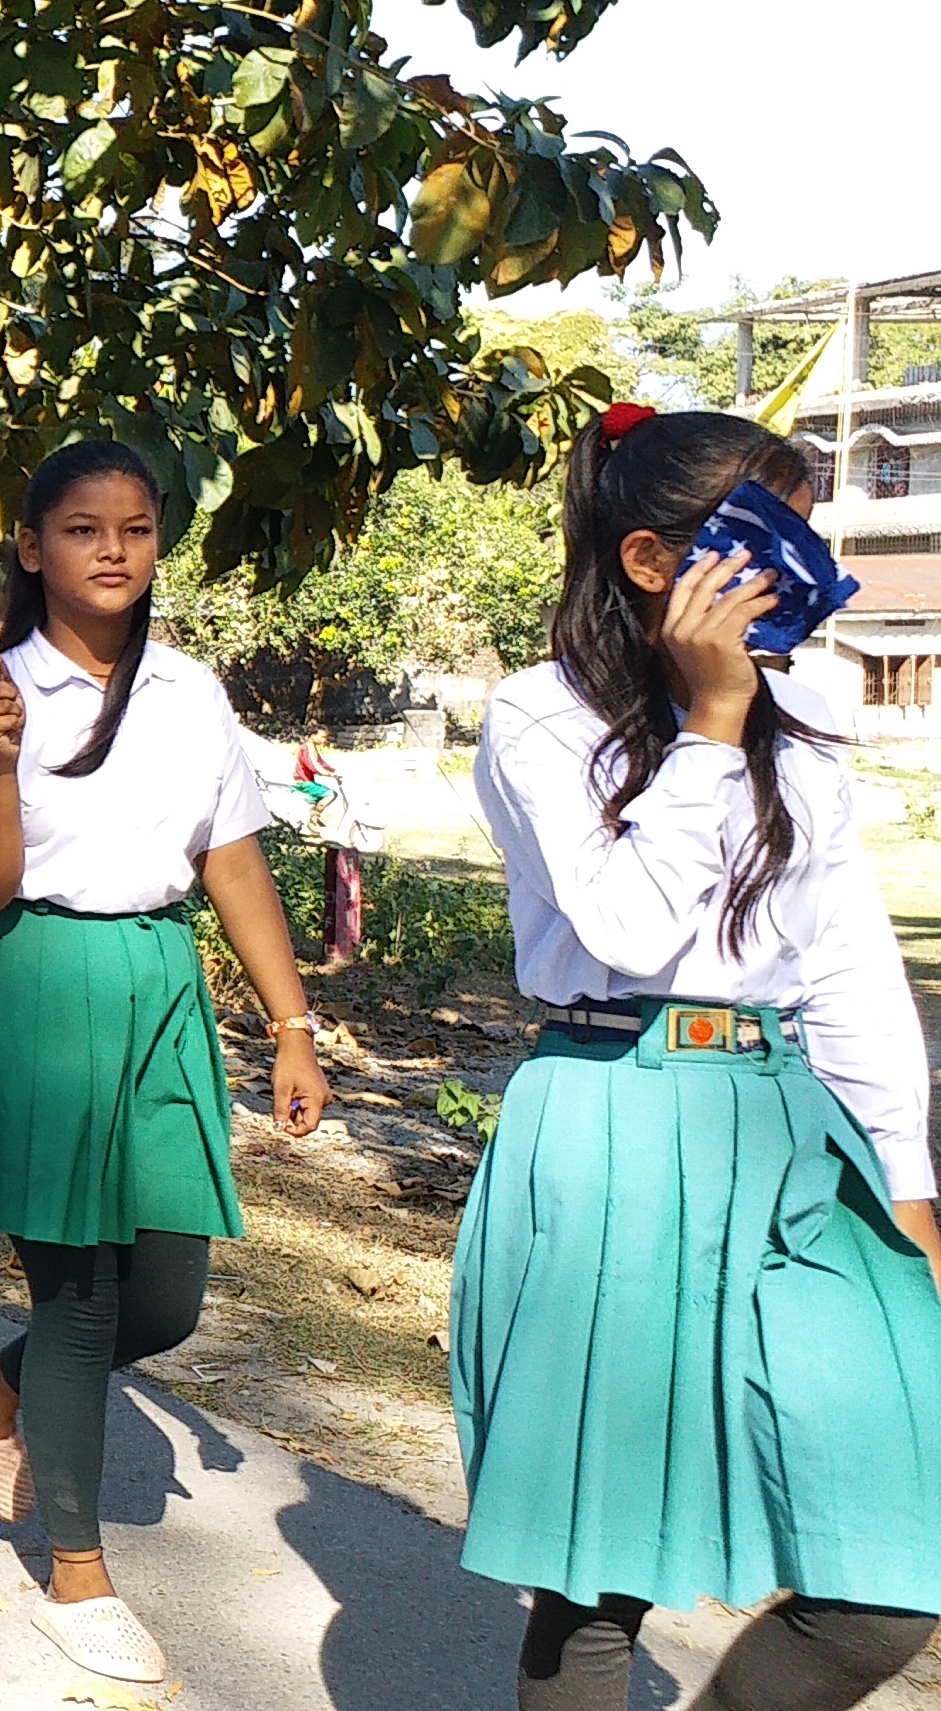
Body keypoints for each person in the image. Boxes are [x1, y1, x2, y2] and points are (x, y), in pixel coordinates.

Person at [460, 405, 941, 1711]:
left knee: (893, 1568)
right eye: (764, 537)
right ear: (653, 563)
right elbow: (626, 924)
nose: (799, 567)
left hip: (784, 1127)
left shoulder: (813, 713)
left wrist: (909, 1188)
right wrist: (714, 729)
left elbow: (843, 966)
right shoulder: (543, 716)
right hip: (615, 1118)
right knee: (598, 1568)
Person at [0, 440, 330, 1687]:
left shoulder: (190, 692)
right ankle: (76, 1575)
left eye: (136, 528)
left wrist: (291, 1025)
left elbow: (233, 857)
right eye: (84, 529)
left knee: (168, 1297)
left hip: (156, 985)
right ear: (32, 549)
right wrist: (6, 756)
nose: (115, 550)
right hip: (31, 981)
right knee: (80, 1296)